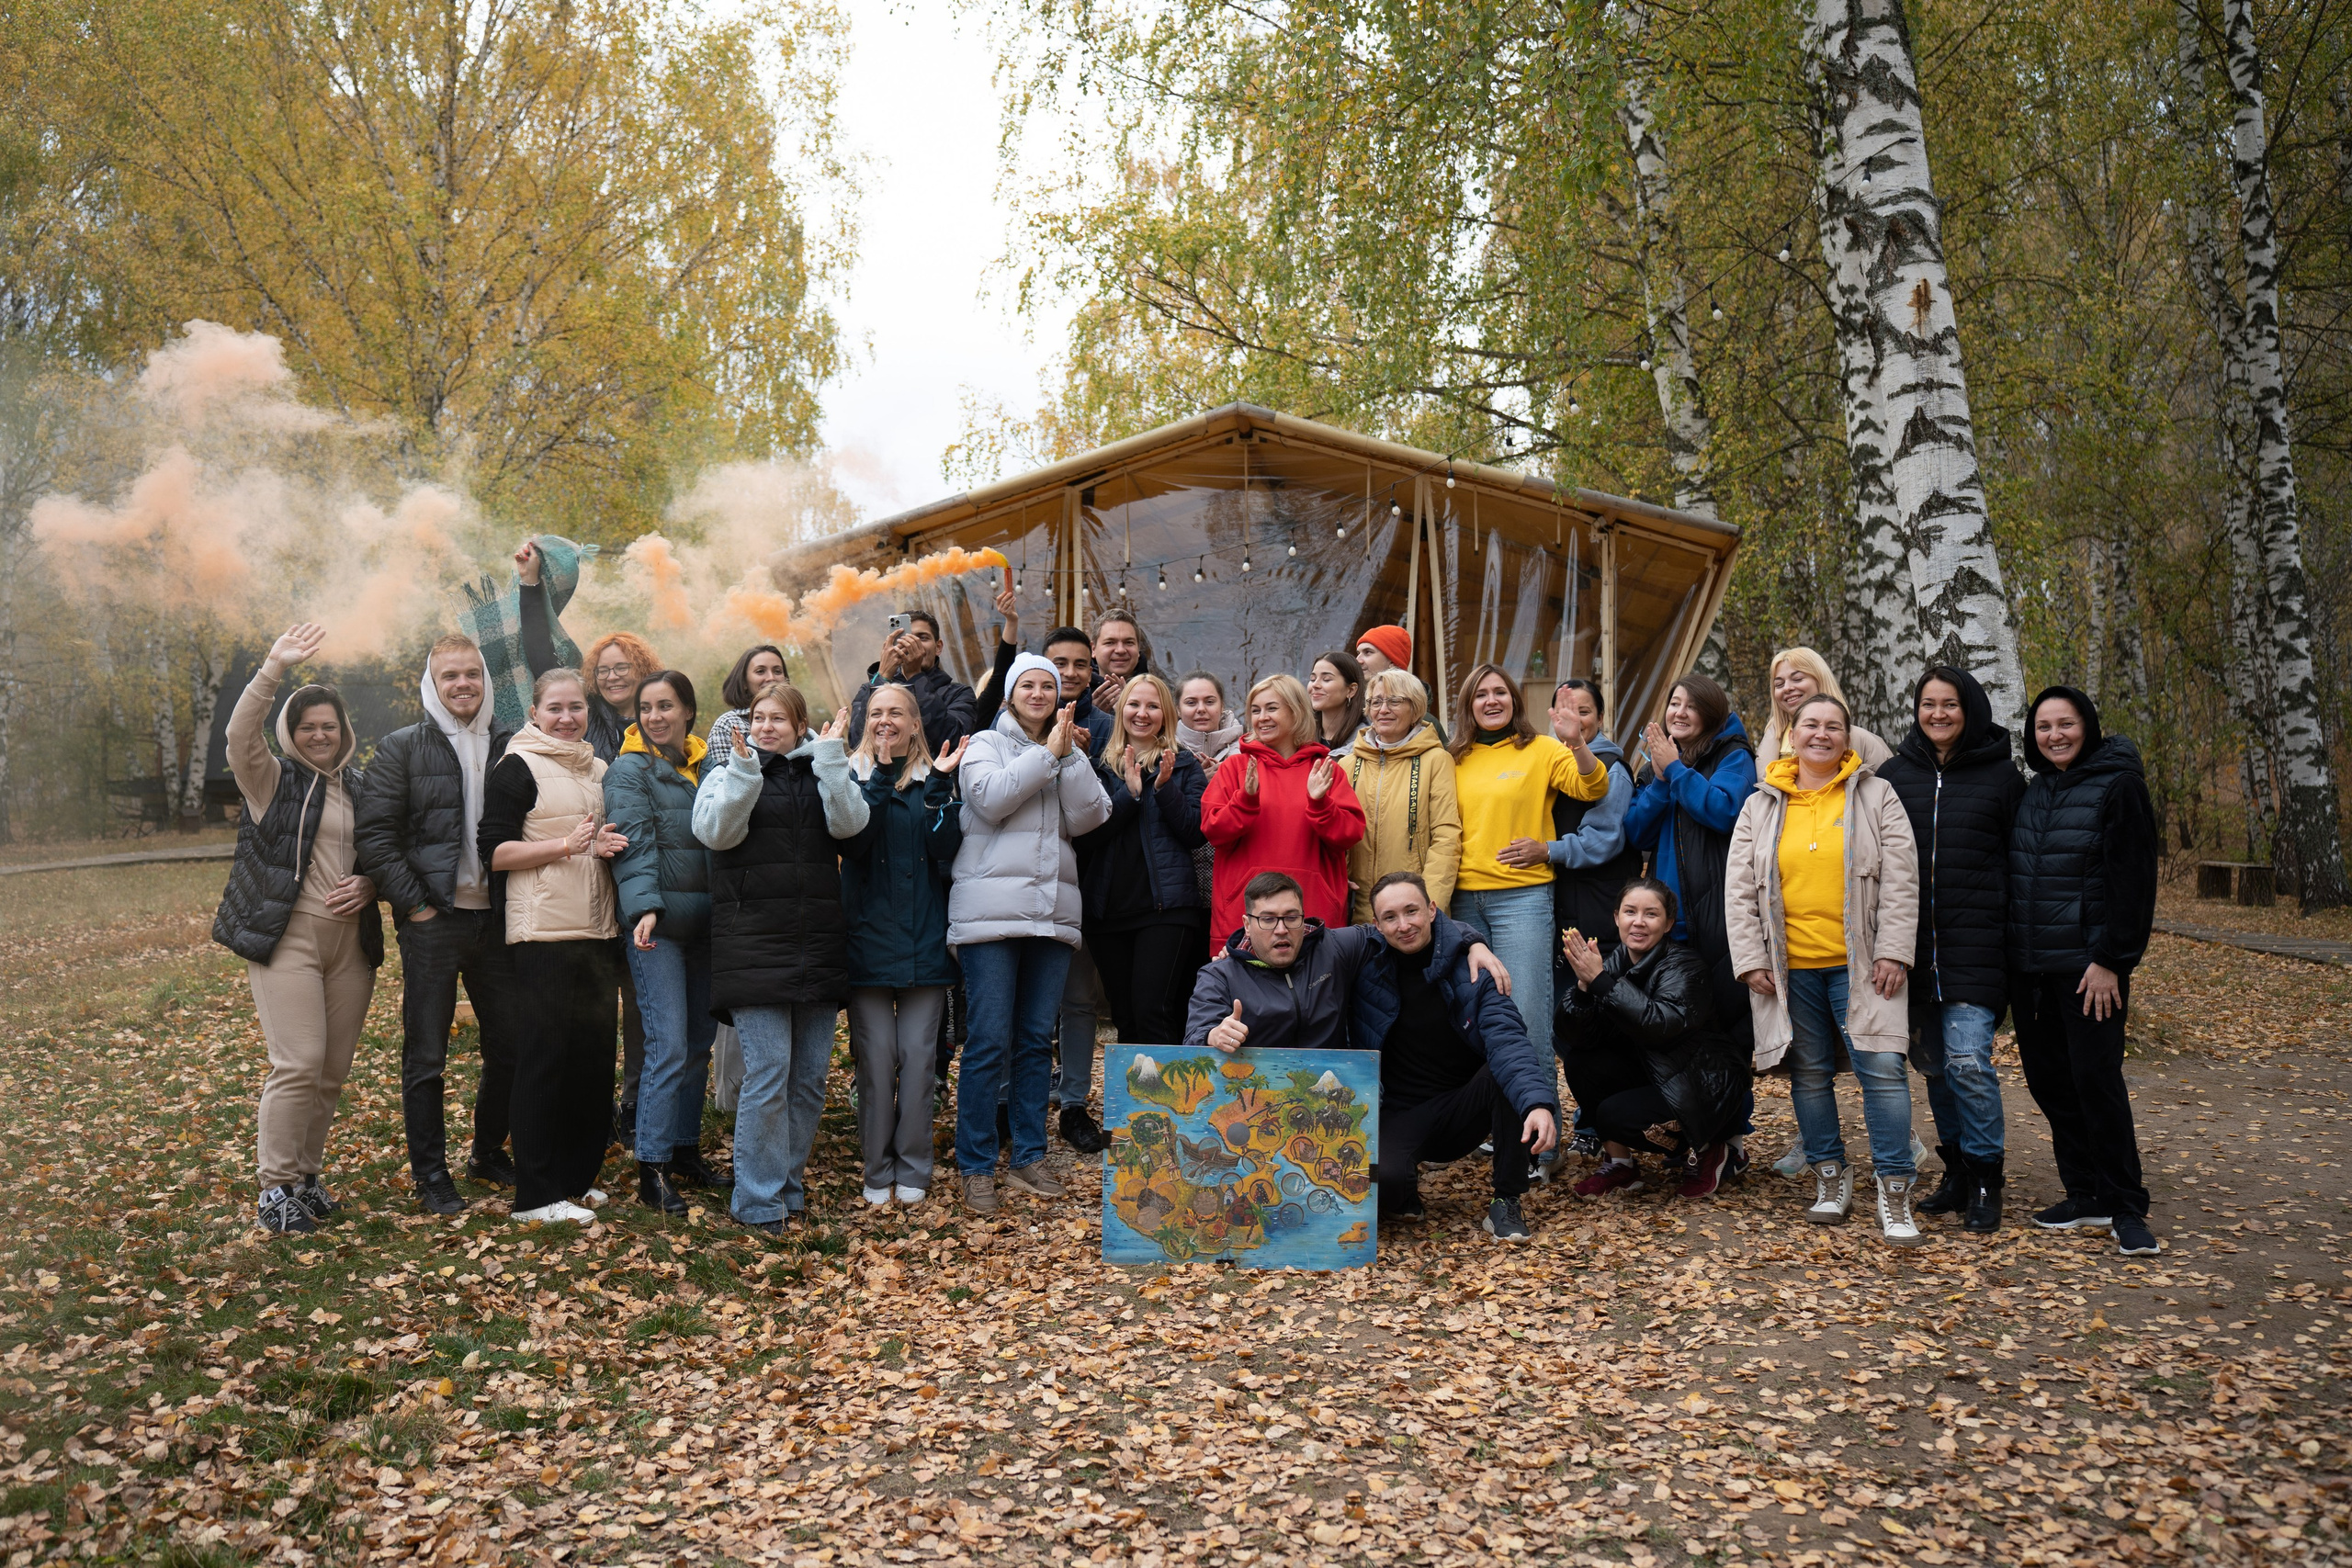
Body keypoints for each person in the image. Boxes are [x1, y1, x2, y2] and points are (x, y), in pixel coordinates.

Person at [1724, 693, 1925, 1247]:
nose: (1821, 734)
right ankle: (1830, 1176)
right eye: (1810, 725)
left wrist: (1894, 951)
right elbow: (1738, 890)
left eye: (1832, 726)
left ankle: (1894, 1186)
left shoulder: (1877, 796)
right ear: (1792, 734)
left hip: (1863, 966)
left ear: (1847, 736)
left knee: (1882, 1068)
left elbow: (1904, 883)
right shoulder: (1761, 804)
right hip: (1790, 972)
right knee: (1809, 1074)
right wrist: (1750, 960)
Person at [214, 623, 381, 1235]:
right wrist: (273, 668)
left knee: (331, 1068)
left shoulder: (359, 787)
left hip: (350, 944)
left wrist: (371, 882)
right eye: (307, 725)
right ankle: (274, 1186)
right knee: (299, 1060)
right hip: (288, 936)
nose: (318, 734)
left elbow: (384, 854)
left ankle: (306, 1179)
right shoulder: (271, 780)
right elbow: (238, 736)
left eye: (328, 726)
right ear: (292, 731)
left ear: (344, 734)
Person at [355, 632, 526, 1215]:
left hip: (498, 920)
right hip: (435, 922)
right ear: (432, 682)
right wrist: (417, 906)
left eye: (472, 674)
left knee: (509, 1045)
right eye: (450, 675)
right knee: (426, 1053)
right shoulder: (402, 747)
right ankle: (431, 1175)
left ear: (486, 680)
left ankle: (485, 1153)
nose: (462, 684)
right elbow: (375, 837)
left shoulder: (512, 743)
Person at [694, 682, 867, 1233]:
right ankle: (756, 1200)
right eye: (757, 718)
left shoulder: (824, 772)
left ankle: (787, 1185)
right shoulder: (725, 774)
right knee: (769, 1072)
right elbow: (716, 834)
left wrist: (834, 761)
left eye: (778, 719)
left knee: (810, 1077)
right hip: (753, 946)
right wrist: (746, 774)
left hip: (816, 942)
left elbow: (850, 827)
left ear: (799, 726)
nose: (765, 727)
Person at [948, 653, 1113, 1213]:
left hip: (1051, 915)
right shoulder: (985, 744)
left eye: (1050, 685)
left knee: (1037, 1040)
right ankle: (974, 1165)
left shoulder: (1066, 749)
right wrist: (1049, 754)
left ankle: (1027, 1157)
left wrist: (1069, 759)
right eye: (1029, 685)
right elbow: (990, 801)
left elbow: (1092, 816)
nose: (1040, 693)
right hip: (990, 917)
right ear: (1011, 693)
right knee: (989, 1040)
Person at [2008, 685, 2160, 1258]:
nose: (2055, 735)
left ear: (2088, 726)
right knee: (2051, 1083)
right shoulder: (2035, 790)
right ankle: (2085, 1193)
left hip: (2088, 971)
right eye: (2044, 727)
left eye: (2065, 724)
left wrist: (2111, 962)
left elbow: (2132, 882)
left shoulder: (2119, 787)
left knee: (2097, 1082)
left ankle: (2126, 1206)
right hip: (2033, 973)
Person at [1876, 666, 2026, 1232]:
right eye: (1928, 704)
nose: (1938, 714)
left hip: (1978, 949)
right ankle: (1958, 1170)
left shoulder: (2004, 780)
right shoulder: (1894, 776)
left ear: (1972, 709)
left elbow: (2021, 867)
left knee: (1968, 1062)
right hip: (1912, 951)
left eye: (1951, 704)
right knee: (1936, 1068)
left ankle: (1988, 1174)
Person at [478, 668, 629, 1224]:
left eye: (576, 709)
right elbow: (492, 852)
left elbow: (594, 844)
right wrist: (564, 845)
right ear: (536, 713)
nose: (567, 718)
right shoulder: (517, 766)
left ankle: (575, 1180)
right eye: (556, 708)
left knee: (590, 1064)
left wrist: (602, 846)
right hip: (541, 935)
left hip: (596, 932)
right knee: (543, 1060)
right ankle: (536, 1195)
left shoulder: (599, 769)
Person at [1352, 873, 1558, 1241]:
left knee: (1503, 1072)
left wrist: (1537, 1104)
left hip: (1464, 1107)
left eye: (1412, 911)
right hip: (1398, 1112)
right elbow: (1304, 941)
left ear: (1432, 909)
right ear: (1376, 924)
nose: (1404, 925)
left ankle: (1507, 1198)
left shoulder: (1475, 968)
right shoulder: (1363, 961)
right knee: (1377, 1185)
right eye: (1390, 917)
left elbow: (1508, 1040)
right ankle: (1403, 1186)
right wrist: (1241, 951)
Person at [1447, 662, 1608, 1100]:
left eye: (1500, 692)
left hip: (1523, 898)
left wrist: (1575, 743)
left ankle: (1541, 1145)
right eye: (1480, 694)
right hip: (1461, 903)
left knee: (1526, 1016)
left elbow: (1592, 788)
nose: (1491, 701)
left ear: (1515, 700)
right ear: (1468, 705)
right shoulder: (1453, 757)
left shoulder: (1541, 750)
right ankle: (1498, 1128)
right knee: (1478, 1015)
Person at [842, 683, 966, 1207]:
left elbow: (946, 846)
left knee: (919, 1060)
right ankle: (877, 1168)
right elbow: (855, 841)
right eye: (875, 713)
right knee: (874, 1059)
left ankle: (914, 1166)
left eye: (896, 713)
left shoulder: (935, 779)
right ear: (864, 723)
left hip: (925, 942)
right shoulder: (847, 776)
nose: (885, 720)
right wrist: (881, 777)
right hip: (866, 942)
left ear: (916, 723)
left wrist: (937, 786)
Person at [605, 670, 719, 1218]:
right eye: (646, 707)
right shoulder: (629, 768)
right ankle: (652, 1167)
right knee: (668, 1044)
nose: (654, 716)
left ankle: (684, 1149)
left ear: (688, 712)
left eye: (666, 706)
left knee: (700, 1045)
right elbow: (635, 840)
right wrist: (644, 906)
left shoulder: (707, 766)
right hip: (658, 926)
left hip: (707, 926)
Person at [1556, 879, 1750, 1199]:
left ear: (1668, 924)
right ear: (1616, 918)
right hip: (1655, 1071)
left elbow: (1660, 1025)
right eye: (1630, 912)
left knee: (1615, 1116)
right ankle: (1620, 1164)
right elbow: (1574, 1036)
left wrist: (1602, 982)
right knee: (1580, 1061)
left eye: (1651, 914)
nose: (1639, 922)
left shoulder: (1685, 965)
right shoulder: (1611, 964)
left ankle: (1708, 1148)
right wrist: (1583, 988)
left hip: (1702, 1084)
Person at [1184, 870, 1510, 1055]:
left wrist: (1472, 940)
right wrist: (1214, 1035)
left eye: (1291, 917)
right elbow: (1195, 1036)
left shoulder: (1334, 947)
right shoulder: (1220, 974)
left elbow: (1403, 924)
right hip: (1252, 1093)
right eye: (1268, 919)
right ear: (1247, 923)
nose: (1281, 929)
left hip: (1331, 1089)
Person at [1076, 674, 1210, 1086]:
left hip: (1166, 908)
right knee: (1125, 1015)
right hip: (1109, 910)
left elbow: (1194, 833)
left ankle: (1168, 1116)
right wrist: (1129, 796)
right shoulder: (1098, 765)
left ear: (1165, 715)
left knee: (1154, 1010)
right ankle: (1134, 1121)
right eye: (1135, 704)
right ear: (1121, 711)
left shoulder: (1184, 764)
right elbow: (1086, 835)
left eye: (1153, 706)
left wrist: (1164, 789)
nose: (1142, 713)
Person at [1622, 673, 1759, 1046]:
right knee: (1675, 1027)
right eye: (1674, 703)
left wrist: (1678, 772)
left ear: (1712, 714)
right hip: (1669, 919)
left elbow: (1725, 810)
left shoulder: (1734, 755)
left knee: (1722, 1026)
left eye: (1692, 706)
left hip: (1717, 917)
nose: (1679, 713)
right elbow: (1637, 832)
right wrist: (1664, 779)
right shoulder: (1658, 766)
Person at [1199, 674, 1368, 954]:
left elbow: (1349, 835)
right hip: (1246, 916)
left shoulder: (1326, 769)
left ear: (1296, 711)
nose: (1262, 717)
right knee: (1246, 998)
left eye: (1272, 708)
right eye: (1255, 710)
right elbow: (1213, 831)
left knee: (1316, 997)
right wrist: (1246, 801)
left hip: (1314, 914)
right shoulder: (1234, 768)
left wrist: (1320, 804)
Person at [1341, 668, 1461, 923]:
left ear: (1415, 708)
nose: (1383, 709)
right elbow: (1337, 836)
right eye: (1376, 701)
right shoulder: (1348, 764)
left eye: (1395, 701)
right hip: (1359, 911)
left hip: (1413, 914)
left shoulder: (1436, 760)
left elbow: (1446, 837)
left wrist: (1429, 905)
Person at [1544, 678, 1641, 953]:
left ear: (1600, 718)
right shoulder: (1549, 766)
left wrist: (1546, 851)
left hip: (1599, 914)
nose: (1574, 720)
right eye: (1566, 712)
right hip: (1560, 908)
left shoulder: (1612, 769)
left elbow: (1603, 840)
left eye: (1583, 712)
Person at [847, 609, 978, 754]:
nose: (912, 644)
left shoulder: (958, 694)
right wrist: (883, 676)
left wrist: (915, 675)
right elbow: (857, 742)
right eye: (905, 638)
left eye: (922, 638)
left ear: (938, 647)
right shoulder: (869, 689)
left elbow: (952, 744)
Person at [1755, 647, 1892, 768]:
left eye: (1797, 679)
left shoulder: (1862, 741)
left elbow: (1891, 790)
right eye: (1779, 684)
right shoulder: (1768, 746)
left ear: (1820, 679)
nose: (1787, 688)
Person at [1174, 671, 1241, 908]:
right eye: (1191, 702)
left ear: (1222, 705)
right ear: (1178, 709)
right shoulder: (1164, 752)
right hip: (1180, 886)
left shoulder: (1245, 752)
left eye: (1209, 701)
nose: (1201, 709)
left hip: (1236, 883)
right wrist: (1196, 783)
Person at [707, 644, 790, 759]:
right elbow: (724, 775)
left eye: (777, 671)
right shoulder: (727, 725)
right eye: (760, 671)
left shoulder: (795, 719)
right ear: (744, 682)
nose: (771, 677)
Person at [1089, 611, 1152, 714]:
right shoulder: (1077, 695)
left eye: (1129, 642)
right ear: (1093, 649)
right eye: (1110, 643)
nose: (1120, 650)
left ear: (1138, 648)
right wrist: (1090, 716)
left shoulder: (1159, 695)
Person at [1308, 649, 1367, 756]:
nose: (1315, 685)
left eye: (1326, 679)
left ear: (1351, 690)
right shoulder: (1299, 736)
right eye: (1312, 679)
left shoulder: (1367, 741)